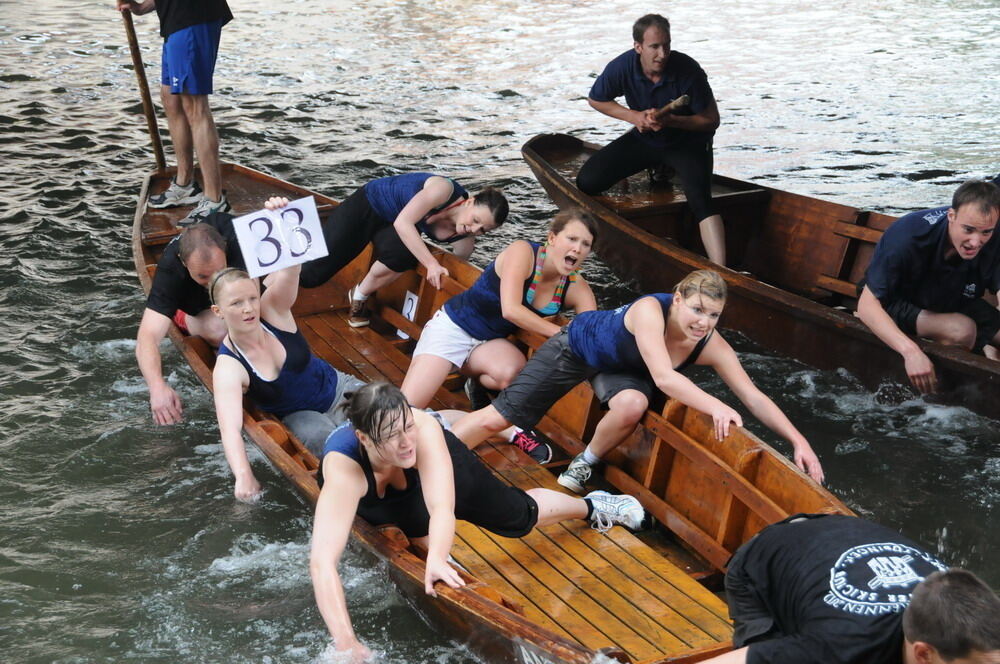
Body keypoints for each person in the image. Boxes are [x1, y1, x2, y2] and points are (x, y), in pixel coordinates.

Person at [309, 382, 646, 661]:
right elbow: (323, 562)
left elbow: (442, 506)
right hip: (375, 492)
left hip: (430, 470)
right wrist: (346, 642)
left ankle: (590, 506)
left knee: (517, 515)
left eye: (407, 426)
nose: (405, 441)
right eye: (391, 435)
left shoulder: (421, 431)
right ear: (364, 439)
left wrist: (439, 557)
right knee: (416, 538)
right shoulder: (344, 470)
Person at [451, 269, 825, 493]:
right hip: (578, 348)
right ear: (677, 299)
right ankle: (435, 460)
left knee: (633, 404)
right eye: (696, 309)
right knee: (499, 419)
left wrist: (799, 440)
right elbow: (664, 378)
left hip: (627, 368)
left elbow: (753, 396)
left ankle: (585, 462)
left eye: (713, 315)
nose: (703, 322)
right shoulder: (650, 311)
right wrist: (716, 405)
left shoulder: (711, 345)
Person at [399, 208, 599, 460]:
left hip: (490, 345)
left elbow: (592, 333)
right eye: (572, 239)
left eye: (586, 244)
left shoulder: (576, 287)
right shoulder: (523, 252)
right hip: (453, 328)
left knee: (514, 373)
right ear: (552, 238)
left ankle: (481, 391)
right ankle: (504, 429)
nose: (578, 249)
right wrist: (562, 333)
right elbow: (511, 310)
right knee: (404, 414)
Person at [210, 198, 365, 502]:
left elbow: (292, 267)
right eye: (236, 303)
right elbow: (230, 428)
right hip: (299, 414)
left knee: (391, 411)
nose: (248, 309)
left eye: (252, 299)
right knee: (332, 443)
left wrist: (282, 218)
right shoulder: (229, 367)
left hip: (337, 386)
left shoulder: (273, 310)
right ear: (218, 311)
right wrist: (243, 474)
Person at [697, 513, 1000, 664]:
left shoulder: (967, 622)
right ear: (923, 655)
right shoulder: (839, 647)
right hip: (763, 567)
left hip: (839, 536)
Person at [576, 14, 726, 266]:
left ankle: (724, 271)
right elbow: (596, 99)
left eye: (666, 45)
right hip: (646, 138)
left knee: (700, 201)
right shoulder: (622, 67)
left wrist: (672, 121)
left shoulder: (688, 70)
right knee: (587, 182)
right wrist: (634, 116)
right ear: (638, 47)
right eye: (654, 47)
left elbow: (711, 120)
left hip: (687, 143)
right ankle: (658, 167)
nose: (662, 53)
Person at [298, 172, 508, 327]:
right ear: (469, 202)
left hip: (391, 225)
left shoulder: (464, 240)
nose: (474, 229)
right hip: (370, 204)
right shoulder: (443, 190)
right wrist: (431, 264)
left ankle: (360, 296)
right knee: (311, 276)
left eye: (483, 230)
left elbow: (457, 269)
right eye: (475, 220)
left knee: (404, 255)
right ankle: (274, 279)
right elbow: (404, 223)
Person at [857, 179, 1000, 394]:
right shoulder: (908, 235)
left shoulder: (991, 232)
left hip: (951, 294)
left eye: (986, 233)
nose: (975, 242)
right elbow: (866, 305)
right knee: (961, 330)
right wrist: (910, 352)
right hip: (895, 301)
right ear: (951, 216)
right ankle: (942, 397)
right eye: (968, 230)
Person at [117, 0, 233, 224]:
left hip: (193, 17)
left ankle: (214, 200)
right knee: (171, 99)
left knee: (195, 106)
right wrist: (142, 7)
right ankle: (185, 184)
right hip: (176, 21)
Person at [136, 213, 243, 425]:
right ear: (183, 262)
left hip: (235, 290)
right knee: (219, 330)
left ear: (226, 251)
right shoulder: (170, 268)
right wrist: (157, 387)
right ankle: (181, 317)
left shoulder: (239, 238)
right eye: (203, 276)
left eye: (218, 272)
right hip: (196, 306)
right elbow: (147, 336)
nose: (212, 281)